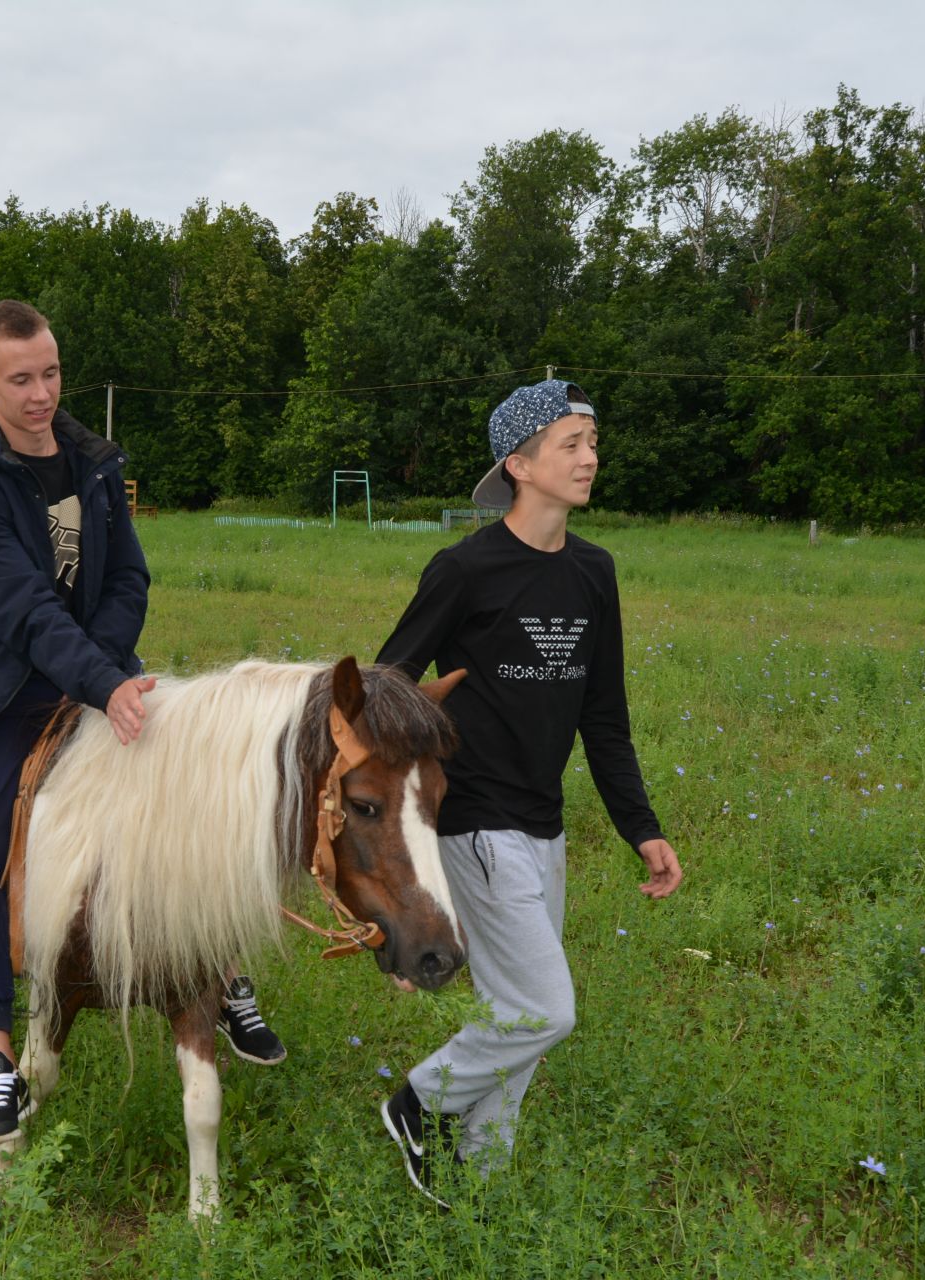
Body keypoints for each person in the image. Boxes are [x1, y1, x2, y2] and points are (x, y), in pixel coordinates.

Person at [0, 300, 286, 1150]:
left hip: (100, 672)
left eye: (51, 373)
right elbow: (18, 609)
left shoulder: (94, 461)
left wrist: (109, 669)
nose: (41, 393)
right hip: (9, 692)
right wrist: (98, 679)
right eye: (20, 379)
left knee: (195, 797)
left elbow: (130, 575)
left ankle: (224, 971)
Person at [374, 379, 685, 1204]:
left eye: (592, 441)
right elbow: (388, 687)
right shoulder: (465, 569)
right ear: (519, 463)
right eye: (571, 443)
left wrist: (640, 828)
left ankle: (472, 1196)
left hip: (544, 827)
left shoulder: (592, 572)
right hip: (474, 821)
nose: (591, 456)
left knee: (520, 1022)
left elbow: (603, 717)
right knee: (546, 1010)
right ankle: (418, 1103)